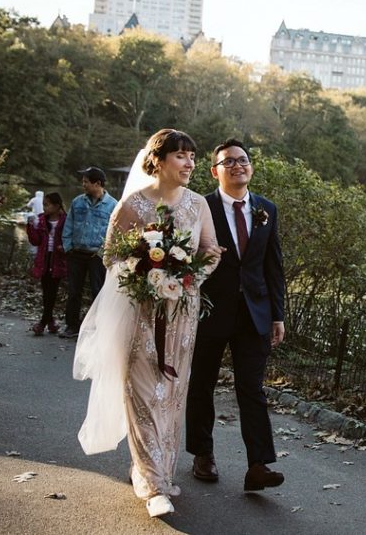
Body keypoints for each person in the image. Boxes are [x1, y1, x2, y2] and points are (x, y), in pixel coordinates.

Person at [73, 129, 222, 519]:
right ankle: (154, 485)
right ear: (158, 160)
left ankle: (157, 470)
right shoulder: (132, 206)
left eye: (192, 156)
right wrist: (144, 273)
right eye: (181, 156)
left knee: (171, 397)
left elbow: (210, 252)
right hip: (139, 313)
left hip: (181, 312)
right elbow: (109, 257)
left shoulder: (198, 206)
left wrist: (185, 279)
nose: (190, 163)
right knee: (142, 393)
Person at [186, 139, 286, 492]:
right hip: (209, 311)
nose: (237, 165)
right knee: (201, 384)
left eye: (242, 160)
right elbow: (184, 258)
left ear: (251, 167)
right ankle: (202, 453)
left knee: (252, 389)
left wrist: (278, 315)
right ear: (215, 171)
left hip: (255, 314)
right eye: (228, 162)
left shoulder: (266, 209)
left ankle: (258, 465)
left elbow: (273, 266)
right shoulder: (200, 207)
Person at [60, 167, 117, 339]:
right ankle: (72, 326)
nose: (83, 184)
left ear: (97, 183)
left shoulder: (113, 205)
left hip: (97, 256)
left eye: (86, 181)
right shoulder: (78, 202)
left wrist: (103, 253)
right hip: (77, 253)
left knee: (97, 292)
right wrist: (68, 247)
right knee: (73, 292)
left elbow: (114, 233)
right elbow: (68, 225)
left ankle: (96, 328)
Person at [26, 192, 67, 335]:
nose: (44, 208)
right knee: (46, 291)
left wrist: (64, 248)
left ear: (57, 206)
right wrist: (31, 226)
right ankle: (50, 321)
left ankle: (43, 322)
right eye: (44, 204)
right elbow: (35, 241)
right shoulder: (41, 220)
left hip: (58, 259)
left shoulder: (65, 221)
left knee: (53, 291)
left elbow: (69, 239)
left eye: (47, 205)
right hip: (44, 258)